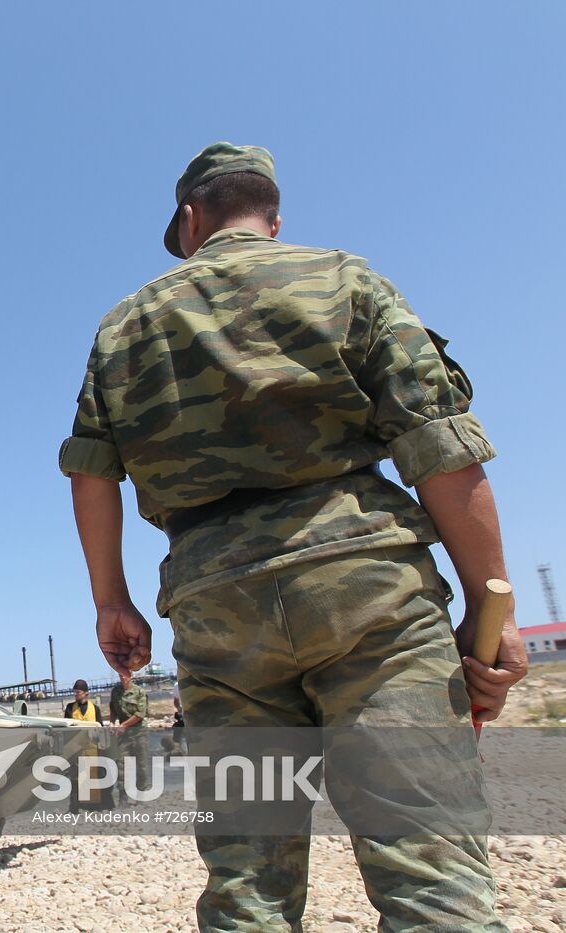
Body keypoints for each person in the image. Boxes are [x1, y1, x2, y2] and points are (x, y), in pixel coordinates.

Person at [60, 141, 526, 930]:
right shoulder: (347, 280)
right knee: (432, 878)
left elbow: (92, 476)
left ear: (189, 217)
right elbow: (440, 446)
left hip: (217, 609)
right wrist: (493, 609)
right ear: (273, 219)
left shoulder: (123, 326)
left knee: (250, 888)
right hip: (367, 594)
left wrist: (114, 601)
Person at [63, 679, 109, 808]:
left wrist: (102, 746)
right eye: (75, 692)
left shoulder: (95, 709)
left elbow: (100, 728)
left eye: (78, 692)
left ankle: (94, 806)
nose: (76, 694)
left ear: (86, 693)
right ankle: (75, 806)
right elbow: (66, 728)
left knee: (93, 775)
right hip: (75, 748)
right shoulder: (70, 708)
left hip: (92, 748)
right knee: (75, 777)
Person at [108, 668, 149, 803]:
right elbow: (113, 709)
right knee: (121, 764)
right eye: (120, 675)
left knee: (141, 764)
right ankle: (123, 796)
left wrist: (124, 725)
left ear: (131, 676)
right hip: (122, 733)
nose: (123, 678)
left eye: (125, 676)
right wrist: (112, 723)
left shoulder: (139, 692)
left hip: (138, 732)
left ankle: (141, 795)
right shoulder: (116, 691)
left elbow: (140, 714)